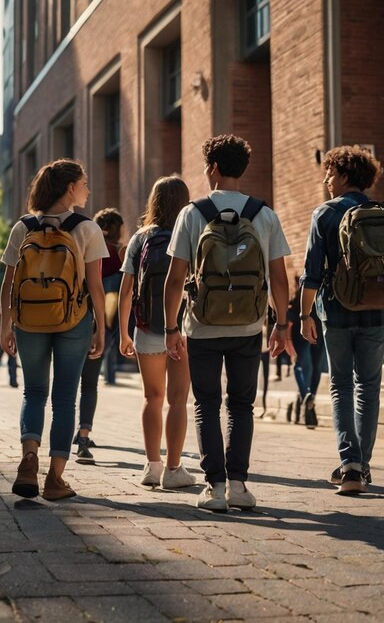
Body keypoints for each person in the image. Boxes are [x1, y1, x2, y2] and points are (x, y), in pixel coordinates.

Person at [164, 135, 294, 512]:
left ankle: (214, 488)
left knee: (205, 404)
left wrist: (171, 328)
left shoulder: (192, 213)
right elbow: (279, 279)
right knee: (241, 405)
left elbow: (175, 279)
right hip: (249, 326)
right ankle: (238, 485)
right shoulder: (264, 214)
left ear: (214, 168)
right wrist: (281, 325)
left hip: (201, 326)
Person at [300, 145, 384, 495]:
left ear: (345, 175)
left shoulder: (325, 214)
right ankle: (363, 465)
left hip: (336, 311)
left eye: (330, 173)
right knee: (369, 387)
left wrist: (304, 315)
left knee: (341, 387)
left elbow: (311, 274)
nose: (326, 179)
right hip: (379, 312)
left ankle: (349, 466)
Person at [0, 159, 107, 501]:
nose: (88, 189)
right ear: (69, 189)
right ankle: (55, 479)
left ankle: (28, 459)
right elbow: (95, 286)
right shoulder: (87, 229)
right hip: (74, 320)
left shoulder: (23, 227)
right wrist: (100, 330)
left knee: (33, 392)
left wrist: (6, 325)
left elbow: (9, 282)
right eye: (84, 183)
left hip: (28, 320)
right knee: (64, 398)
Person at [118, 176, 196, 489]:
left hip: (146, 328)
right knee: (178, 400)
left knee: (152, 398)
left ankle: (152, 467)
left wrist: (124, 333)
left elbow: (126, 291)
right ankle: (174, 470)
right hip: (183, 327)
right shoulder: (191, 231)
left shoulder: (140, 237)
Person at [74, 207, 125, 465]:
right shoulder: (119, 254)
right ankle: (83, 436)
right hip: (102, 322)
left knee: (68, 383)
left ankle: (69, 436)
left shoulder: (82, 246)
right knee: (90, 384)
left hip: (74, 320)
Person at [288, 280, 325, 428]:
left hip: (308, 331)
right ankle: (309, 398)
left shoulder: (305, 291)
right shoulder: (301, 296)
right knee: (312, 366)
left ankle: (306, 396)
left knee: (302, 366)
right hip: (311, 331)